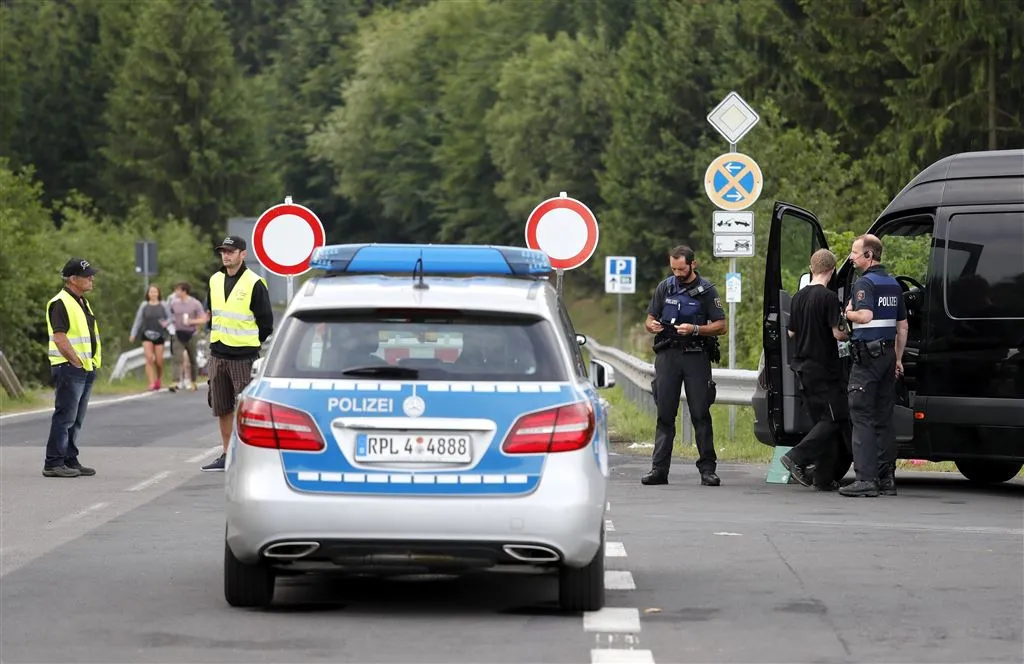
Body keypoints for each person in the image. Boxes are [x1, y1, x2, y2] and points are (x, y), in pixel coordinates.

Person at [641, 245, 727, 487]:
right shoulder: (665, 287)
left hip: (696, 356)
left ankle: (708, 470)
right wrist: (652, 326)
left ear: (693, 264)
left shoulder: (707, 291)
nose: (677, 273)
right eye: (674, 268)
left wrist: (696, 329)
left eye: (681, 268)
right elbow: (649, 318)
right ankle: (659, 470)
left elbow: (721, 326)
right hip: (668, 356)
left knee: (700, 414)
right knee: (665, 415)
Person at [839, 234, 908, 497]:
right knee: (883, 418)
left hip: (867, 359)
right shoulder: (893, 284)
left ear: (869, 255)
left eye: (855, 253)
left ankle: (866, 479)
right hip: (888, 357)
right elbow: (902, 327)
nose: (852, 257)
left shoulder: (864, 283)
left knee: (862, 416)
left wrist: (847, 313)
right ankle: (886, 478)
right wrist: (898, 359)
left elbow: (865, 316)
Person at [779, 249, 852, 491]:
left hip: (802, 366)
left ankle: (822, 477)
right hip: (824, 368)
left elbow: (791, 332)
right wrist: (846, 322)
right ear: (831, 271)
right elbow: (837, 333)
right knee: (834, 418)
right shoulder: (829, 298)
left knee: (822, 422)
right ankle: (796, 457)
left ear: (812, 269)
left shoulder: (798, 297)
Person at [200, 235, 274, 472]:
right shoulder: (214, 279)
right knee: (222, 406)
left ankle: (248, 455)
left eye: (231, 251)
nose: (226, 255)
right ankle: (226, 453)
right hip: (218, 353)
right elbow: (213, 312)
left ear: (243, 254)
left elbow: (266, 323)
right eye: (223, 251)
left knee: (247, 408)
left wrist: (251, 343)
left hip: (244, 355)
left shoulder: (255, 283)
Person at [43, 258, 102, 478]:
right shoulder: (60, 302)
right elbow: (59, 338)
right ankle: (54, 462)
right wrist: (76, 361)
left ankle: (69, 458)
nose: (91, 279)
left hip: (85, 367)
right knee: (65, 416)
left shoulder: (81, 301)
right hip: (70, 367)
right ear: (72, 279)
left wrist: (89, 363)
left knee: (76, 418)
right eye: (87, 276)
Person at [129, 285, 173, 390]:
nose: (153, 294)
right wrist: (133, 333)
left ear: (158, 293)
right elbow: (138, 320)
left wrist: (166, 323)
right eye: (151, 292)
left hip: (160, 335)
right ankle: (151, 383)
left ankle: (158, 379)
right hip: (147, 334)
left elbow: (171, 318)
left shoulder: (163, 305)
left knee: (158, 361)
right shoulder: (144, 305)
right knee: (149, 359)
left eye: (155, 292)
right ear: (148, 294)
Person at [166, 282, 207, 391]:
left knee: (192, 358)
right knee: (177, 358)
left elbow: (203, 319)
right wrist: (168, 323)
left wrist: (191, 321)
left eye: (178, 290)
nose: (176, 292)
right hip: (178, 333)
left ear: (184, 291)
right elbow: (170, 316)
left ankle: (193, 381)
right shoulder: (174, 303)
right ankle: (175, 381)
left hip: (191, 334)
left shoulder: (195, 303)